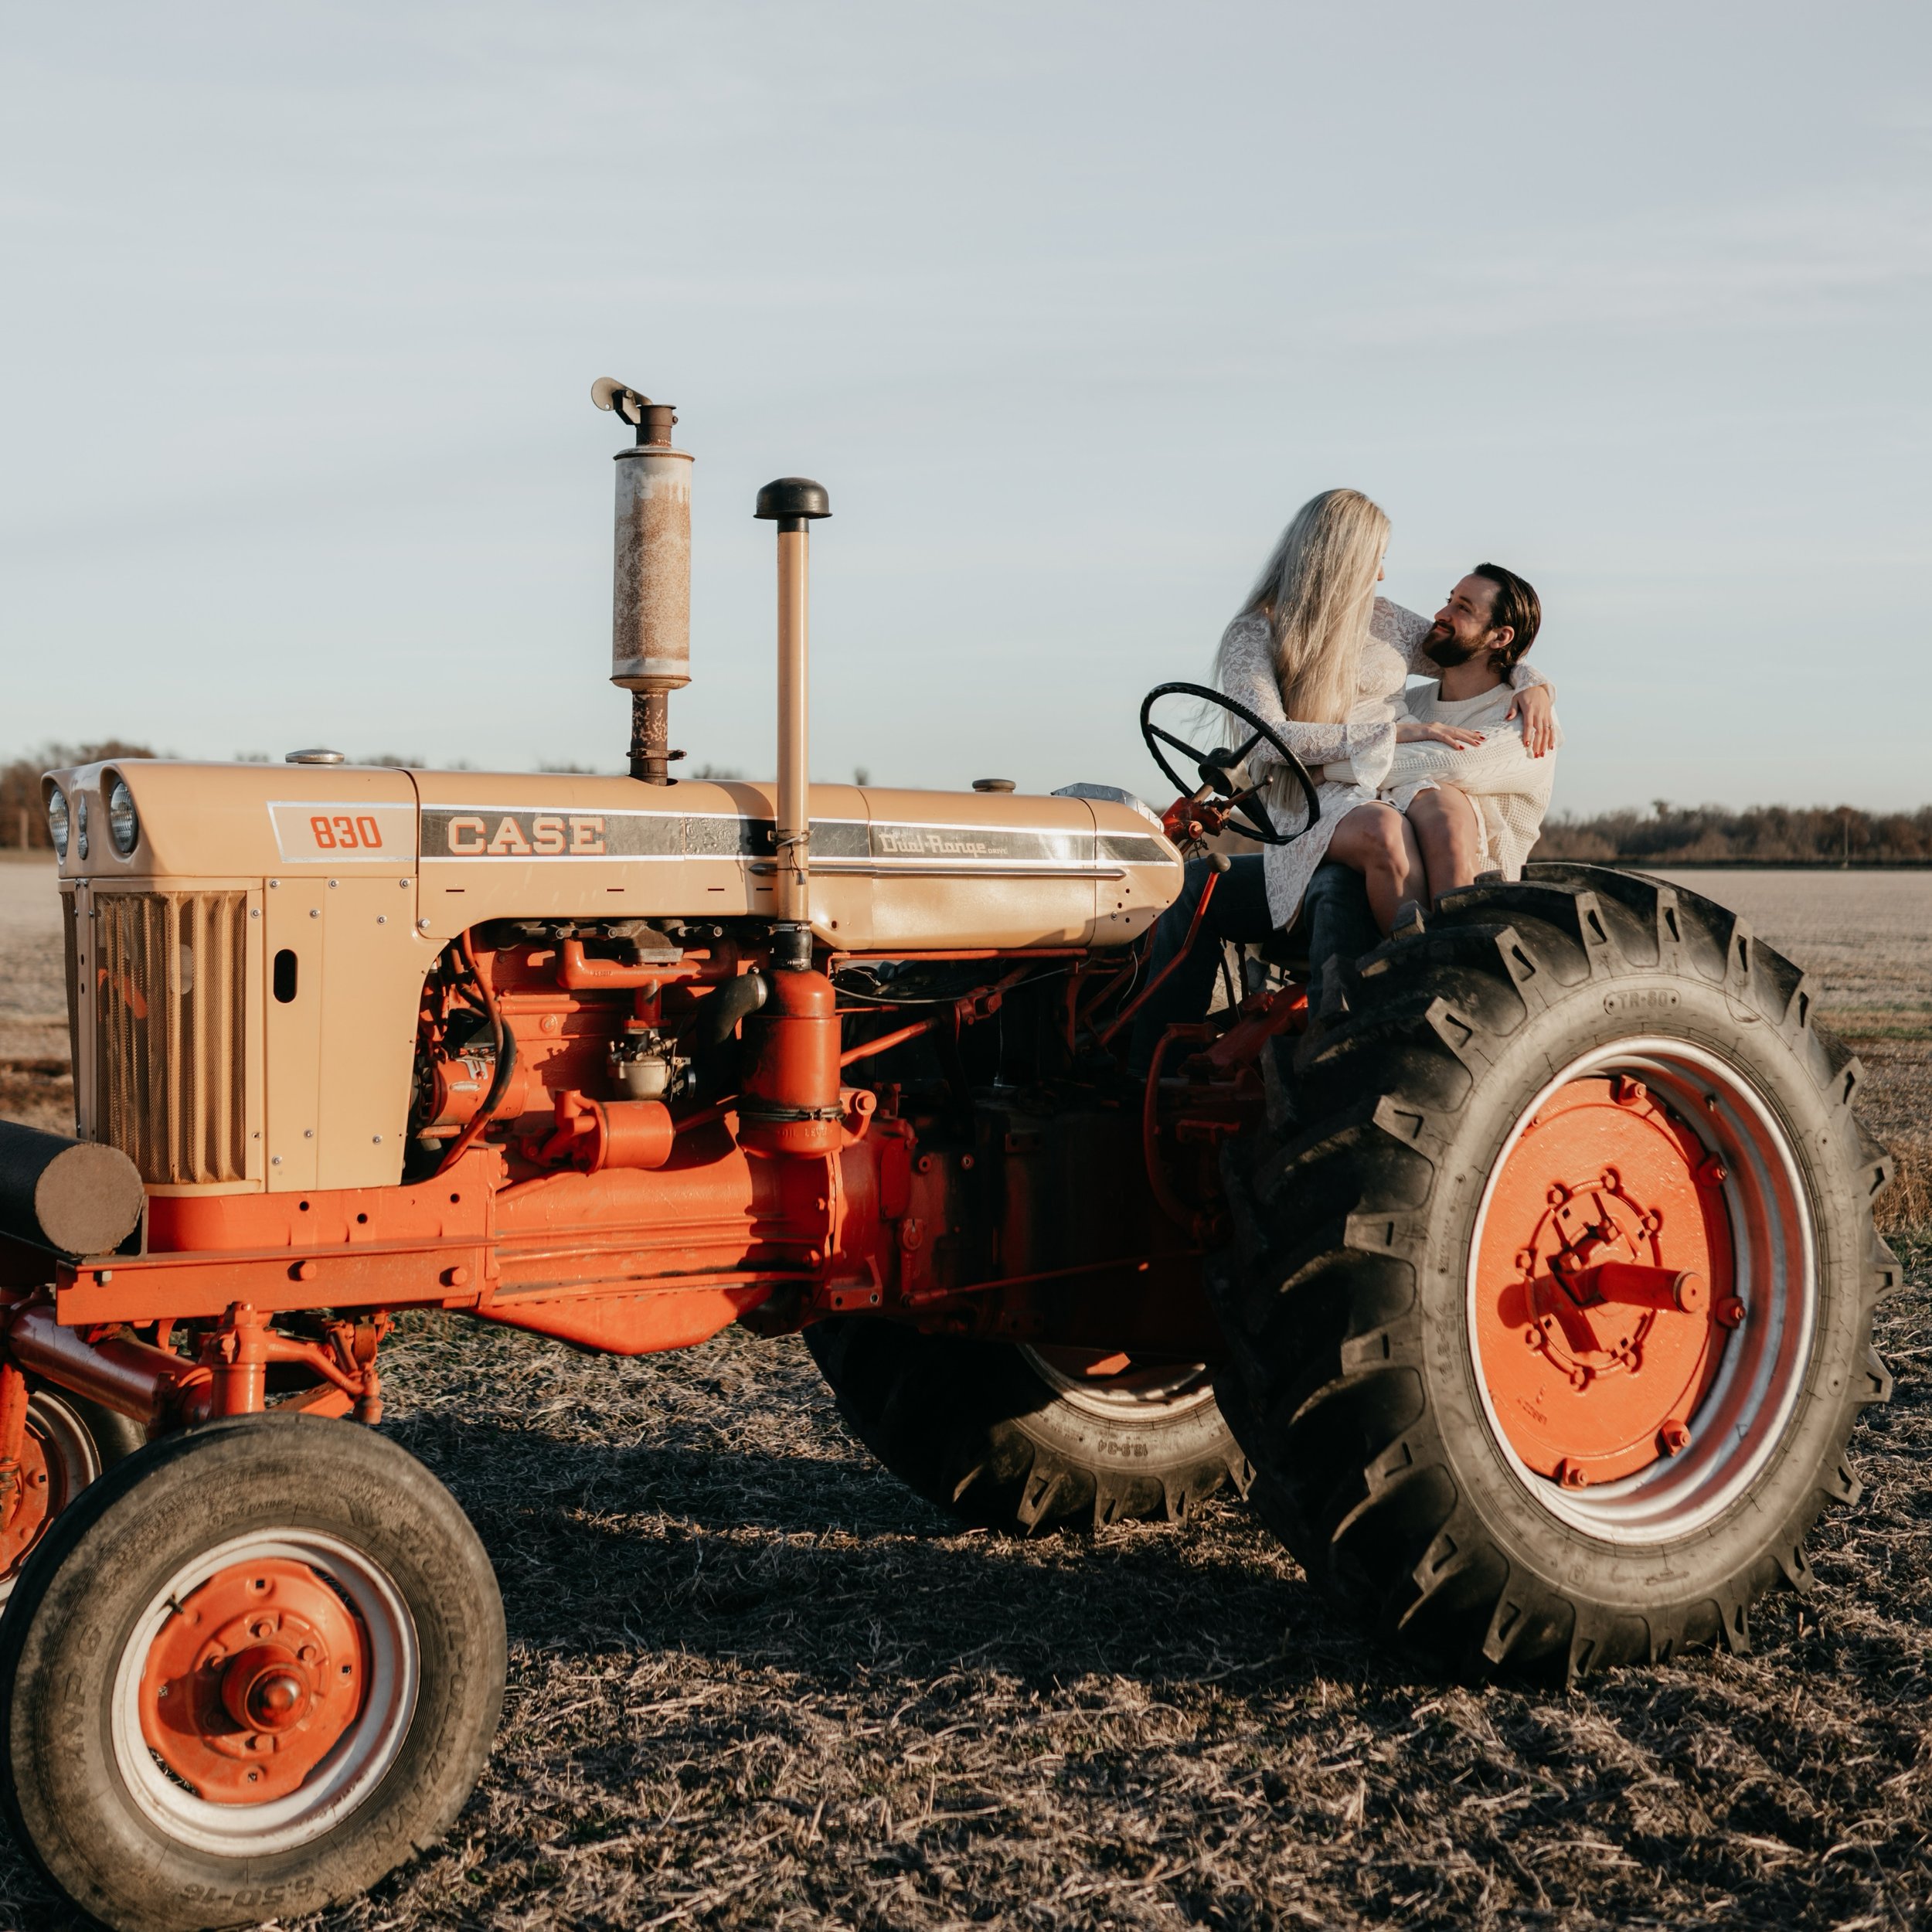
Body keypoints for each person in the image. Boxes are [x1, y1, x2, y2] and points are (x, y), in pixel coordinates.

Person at [1127, 491, 1553, 1073]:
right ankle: (1151, 1053)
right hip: (1313, 800)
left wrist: (1534, 680)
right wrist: (1385, 739)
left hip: (1384, 787)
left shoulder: (1384, 621)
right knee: (1364, 837)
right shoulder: (1254, 635)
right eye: (1375, 557)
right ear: (1340, 557)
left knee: (1396, 835)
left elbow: (1473, 648)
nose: (1382, 572)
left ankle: (1425, 994)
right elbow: (1270, 736)